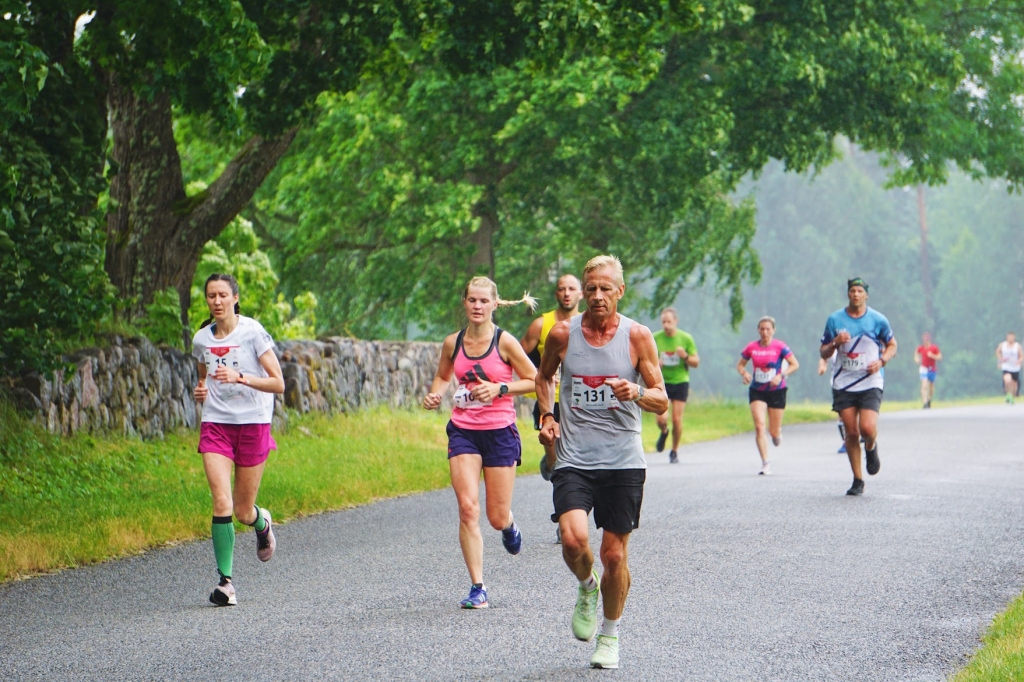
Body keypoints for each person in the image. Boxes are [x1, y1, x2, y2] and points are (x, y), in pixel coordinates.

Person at [536, 255, 668, 670]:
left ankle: (609, 634)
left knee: (614, 555)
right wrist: (547, 416)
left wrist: (637, 392)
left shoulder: (638, 337)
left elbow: (661, 397)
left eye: (605, 288)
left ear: (620, 291)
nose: (596, 296)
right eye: (590, 288)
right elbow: (544, 377)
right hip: (575, 457)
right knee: (574, 541)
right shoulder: (562, 334)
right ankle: (585, 585)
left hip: (623, 461)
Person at [423, 277, 538, 609]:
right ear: (464, 303)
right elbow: (445, 375)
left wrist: (500, 389)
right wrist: (435, 393)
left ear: (494, 304)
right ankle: (478, 586)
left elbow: (534, 380)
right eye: (471, 300)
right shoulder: (452, 342)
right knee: (467, 508)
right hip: (463, 430)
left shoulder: (505, 342)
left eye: (483, 301)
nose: (477, 306)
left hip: (500, 432)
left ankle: (510, 525)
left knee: (496, 516)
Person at [191, 273, 285, 606]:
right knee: (221, 503)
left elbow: (278, 383)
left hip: (253, 423)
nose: (216, 301)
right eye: (210, 296)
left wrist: (240, 377)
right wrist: (202, 388)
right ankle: (226, 583)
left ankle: (262, 523)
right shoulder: (201, 338)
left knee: (243, 512)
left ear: (235, 298)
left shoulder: (253, 333)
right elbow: (202, 369)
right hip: (216, 423)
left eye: (222, 295)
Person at [819, 277, 897, 496]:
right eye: (852, 291)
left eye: (859, 291)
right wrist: (835, 343)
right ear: (848, 294)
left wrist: (881, 361)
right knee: (851, 432)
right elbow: (823, 352)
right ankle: (857, 479)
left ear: (866, 295)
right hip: (844, 383)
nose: (855, 294)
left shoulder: (878, 320)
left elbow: (892, 345)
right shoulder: (835, 319)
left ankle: (871, 448)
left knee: (867, 429)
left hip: (870, 381)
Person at [520, 274, 583, 544]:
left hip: (579, 402)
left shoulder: (588, 325)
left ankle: (566, 517)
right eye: (561, 289)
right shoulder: (541, 324)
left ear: (581, 294)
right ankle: (550, 465)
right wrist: (533, 376)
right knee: (559, 465)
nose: (566, 293)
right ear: (556, 294)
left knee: (574, 463)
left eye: (572, 289)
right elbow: (517, 356)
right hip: (549, 400)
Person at [737, 316, 799, 475]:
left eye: (768, 329)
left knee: (773, 431)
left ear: (773, 330)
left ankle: (777, 434)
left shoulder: (780, 346)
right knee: (759, 425)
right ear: (758, 330)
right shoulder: (752, 347)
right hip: (757, 390)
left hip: (777, 391)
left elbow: (794, 364)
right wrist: (744, 374)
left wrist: (781, 375)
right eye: (762, 329)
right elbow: (740, 365)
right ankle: (765, 462)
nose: (765, 332)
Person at [652, 307, 699, 463]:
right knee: (661, 419)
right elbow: (646, 362)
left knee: (677, 419)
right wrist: (655, 364)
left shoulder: (686, 338)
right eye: (663, 322)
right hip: (661, 382)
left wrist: (685, 356)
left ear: (676, 322)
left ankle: (674, 450)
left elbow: (695, 362)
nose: (666, 325)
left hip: (680, 381)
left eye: (669, 322)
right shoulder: (655, 338)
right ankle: (664, 432)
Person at [818, 354, 847, 454]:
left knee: (856, 414)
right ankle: (846, 442)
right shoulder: (836, 343)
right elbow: (824, 356)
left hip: (860, 384)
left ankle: (861, 434)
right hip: (839, 385)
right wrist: (822, 366)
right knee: (842, 415)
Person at [914, 332, 942, 409]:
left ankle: (929, 399)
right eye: (924, 340)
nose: (925, 342)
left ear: (929, 340)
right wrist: (916, 359)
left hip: (932, 369)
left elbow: (940, 357)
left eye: (927, 340)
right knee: (924, 385)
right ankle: (925, 402)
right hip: (924, 368)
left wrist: (932, 355)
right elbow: (916, 353)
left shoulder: (934, 348)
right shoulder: (921, 348)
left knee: (931, 387)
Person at [996, 332, 1022, 404]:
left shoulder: (1017, 346)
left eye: (1012, 337)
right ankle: (1007, 393)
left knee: (1014, 385)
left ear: (1014, 337)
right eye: (1009, 337)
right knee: (1007, 380)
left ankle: (1012, 396)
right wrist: (1000, 359)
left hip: (1015, 368)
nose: (1011, 338)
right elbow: (997, 352)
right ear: (1007, 337)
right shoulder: (1002, 345)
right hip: (1006, 366)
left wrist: (1019, 361)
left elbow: (1021, 356)